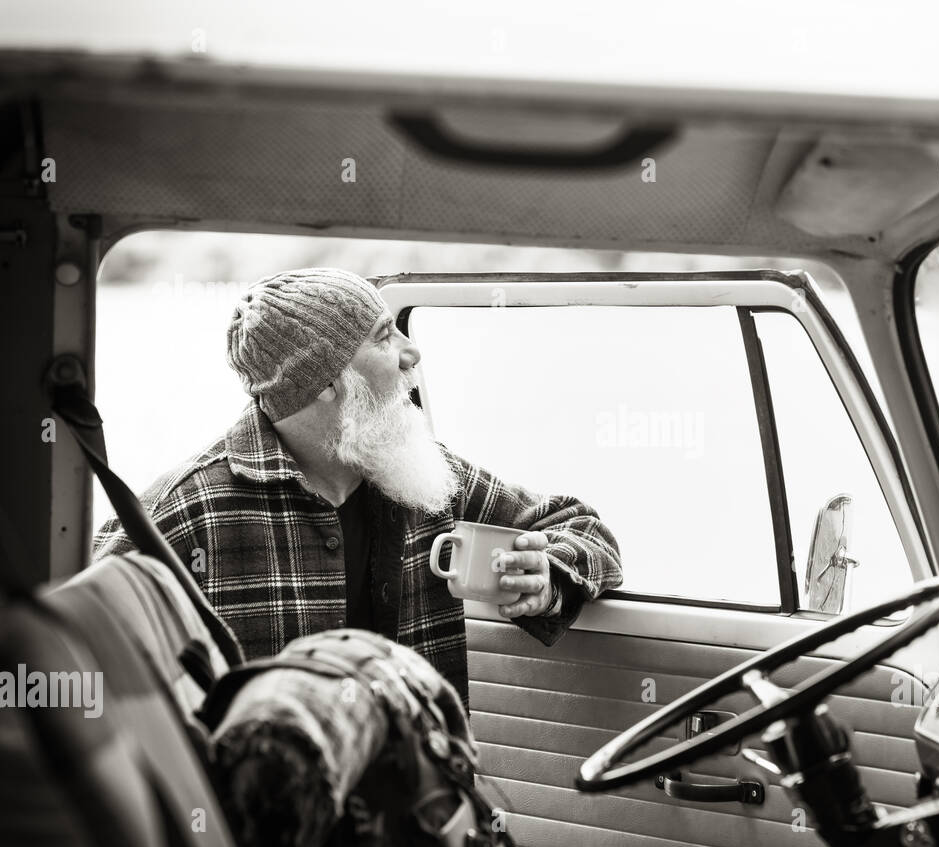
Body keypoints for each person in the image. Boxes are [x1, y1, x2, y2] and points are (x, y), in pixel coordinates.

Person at [94, 268, 623, 712]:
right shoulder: (186, 511)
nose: (411, 352)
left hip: (420, 795)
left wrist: (546, 574)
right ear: (324, 382)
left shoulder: (420, 476)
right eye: (383, 334)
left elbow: (584, 529)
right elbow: (77, 659)